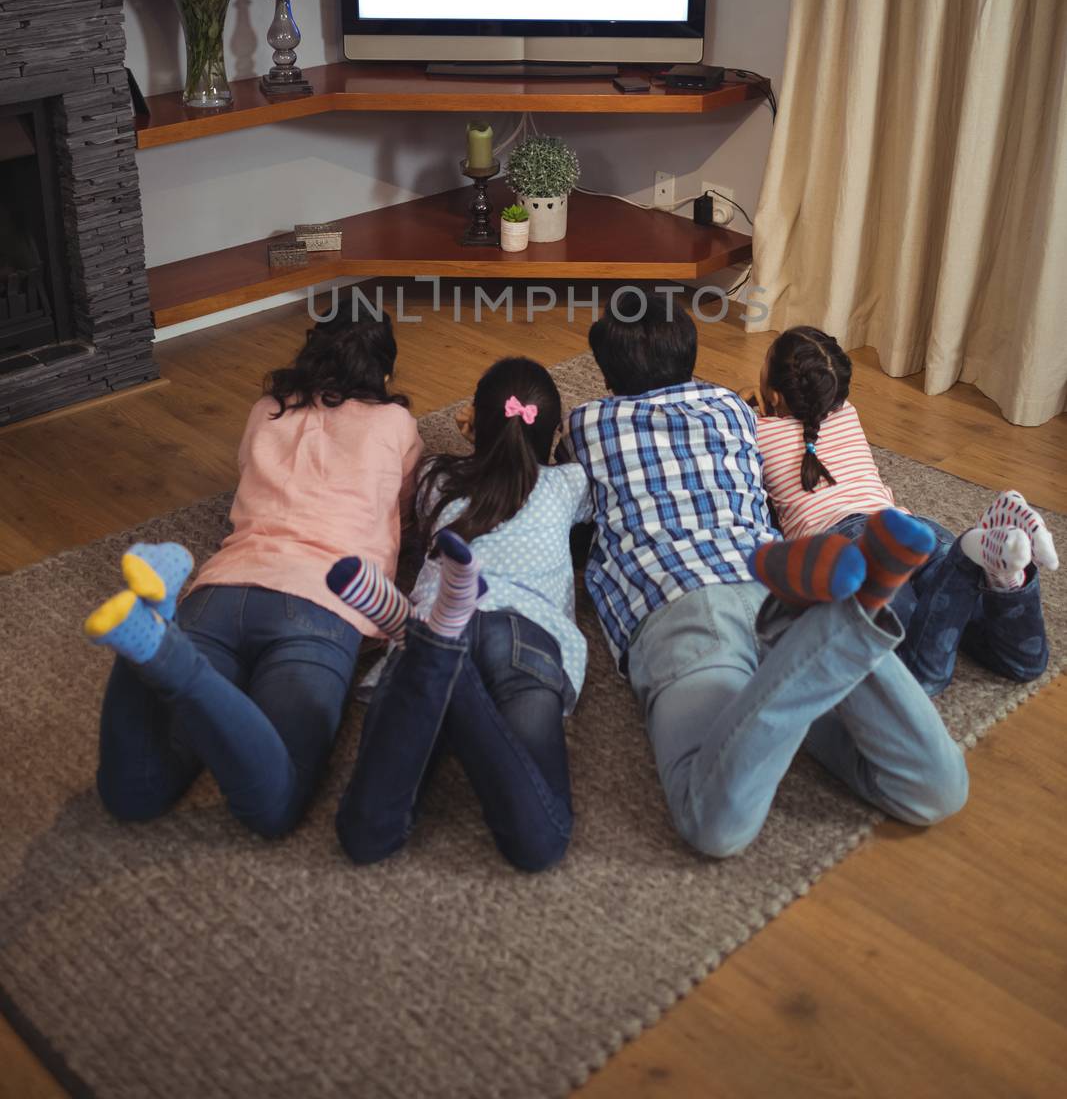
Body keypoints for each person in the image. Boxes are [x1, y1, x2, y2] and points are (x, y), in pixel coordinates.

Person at [565, 293, 969, 860]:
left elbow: (562, 507)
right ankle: (834, 624)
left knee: (714, 826)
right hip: (769, 589)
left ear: (606, 371)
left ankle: (833, 628)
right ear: (690, 351)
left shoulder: (586, 425)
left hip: (679, 603)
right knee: (937, 792)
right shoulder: (733, 410)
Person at [84, 310, 421, 838]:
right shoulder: (396, 424)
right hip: (321, 602)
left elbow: (246, 473)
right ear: (383, 372)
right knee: (271, 806)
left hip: (222, 587)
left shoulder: (266, 409)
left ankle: (153, 633)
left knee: (134, 792)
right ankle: (166, 654)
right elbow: (403, 507)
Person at [328, 356, 592, 871]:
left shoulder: (436, 477)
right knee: (540, 844)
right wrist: (556, 443)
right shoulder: (568, 485)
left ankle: (436, 639)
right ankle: (442, 644)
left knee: (365, 839)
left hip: (430, 620)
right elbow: (585, 472)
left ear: (474, 421)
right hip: (526, 629)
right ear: (550, 430)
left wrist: (477, 436)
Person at [751, 325, 1055, 695]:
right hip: (911, 529)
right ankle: (1000, 573)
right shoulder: (847, 414)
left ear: (775, 395)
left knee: (920, 676)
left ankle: (967, 557)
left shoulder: (754, 433)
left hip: (857, 552)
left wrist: (744, 406)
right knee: (1023, 663)